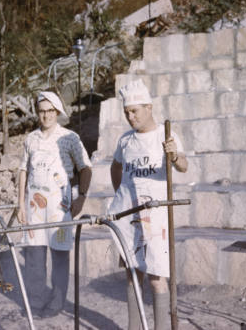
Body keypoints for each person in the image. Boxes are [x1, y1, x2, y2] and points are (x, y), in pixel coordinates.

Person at [108, 79, 188, 330]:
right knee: (133, 274)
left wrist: (174, 155)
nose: (131, 117)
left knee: (157, 277)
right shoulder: (125, 140)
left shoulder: (166, 136)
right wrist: (120, 194)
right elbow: (116, 166)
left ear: (149, 107)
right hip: (129, 214)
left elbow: (184, 166)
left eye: (135, 111)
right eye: (127, 112)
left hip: (156, 217)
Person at [17, 91, 92, 317]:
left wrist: (82, 197)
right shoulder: (31, 139)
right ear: (37, 113)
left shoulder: (69, 137)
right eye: (42, 111)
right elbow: (23, 171)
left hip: (60, 206)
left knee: (59, 255)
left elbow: (85, 168)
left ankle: (57, 302)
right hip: (34, 207)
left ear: (57, 112)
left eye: (50, 111)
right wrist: (20, 203)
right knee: (34, 256)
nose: (46, 115)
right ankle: (36, 300)